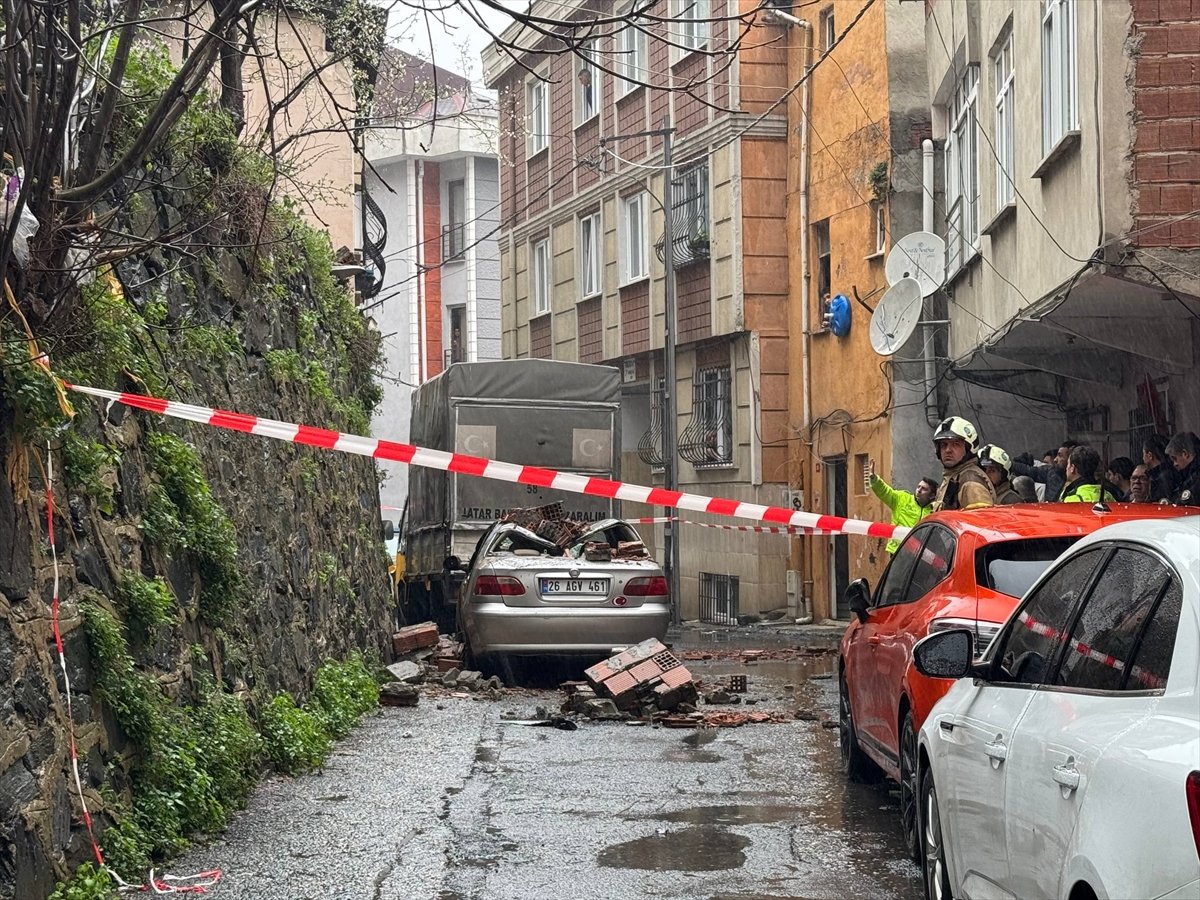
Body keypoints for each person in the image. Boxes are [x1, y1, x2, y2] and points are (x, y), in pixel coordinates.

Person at [865, 458, 936, 554]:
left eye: (924, 489)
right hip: (898, 551)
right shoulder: (902, 499)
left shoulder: (935, 510)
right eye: (918, 487)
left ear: (932, 495)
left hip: (920, 555)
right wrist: (874, 479)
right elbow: (885, 491)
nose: (919, 490)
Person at [930, 416, 995, 511]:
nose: (948, 450)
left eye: (956, 444)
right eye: (944, 445)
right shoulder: (954, 476)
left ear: (968, 449)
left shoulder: (970, 481)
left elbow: (980, 522)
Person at [1165, 432, 1200, 506]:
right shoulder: (1189, 474)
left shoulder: (1194, 476)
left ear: (1185, 454)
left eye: (1175, 459)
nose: (1175, 464)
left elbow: (1188, 500)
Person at [1143, 434, 1178, 503]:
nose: (1143, 458)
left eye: (1143, 454)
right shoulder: (1171, 471)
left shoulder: (1162, 477)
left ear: (1149, 455)